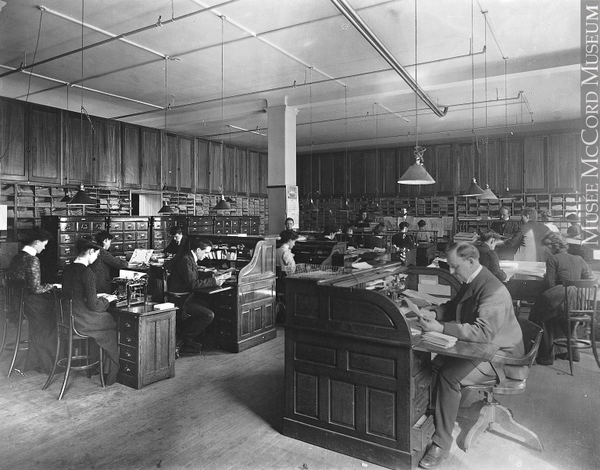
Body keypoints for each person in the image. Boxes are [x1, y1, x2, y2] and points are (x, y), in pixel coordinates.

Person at [417, 242, 526, 469]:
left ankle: (441, 443)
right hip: (486, 349)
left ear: (470, 261)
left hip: (502, 358)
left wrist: (441, 328)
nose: (451, 272)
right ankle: (435, 415)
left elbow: (483, 333)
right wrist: (433, 312)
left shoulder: (492, 290)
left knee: (448, 376)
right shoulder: (474, 279)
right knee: (435, 365)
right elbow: (454, 306)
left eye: (455, 267)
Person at [529, 232, 595, 365]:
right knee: (552, 312)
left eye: (546, 248)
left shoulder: (553, 259)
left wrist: (546, 278)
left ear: (552, 247)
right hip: (579, 305)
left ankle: (546, 356)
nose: (545, 251)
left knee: (540, 315)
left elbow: (550, 285)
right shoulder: (578, 258)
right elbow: (591, 279)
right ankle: (571, 352)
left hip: (563, 302)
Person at [61, 238, 120, 384]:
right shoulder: (88, 273)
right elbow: (95, 306)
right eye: (96, 255)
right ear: (90, 252)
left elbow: (77, 293)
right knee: (111, 323)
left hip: (68, 317)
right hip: (82, 319)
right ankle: (109, 373)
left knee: (103, 323)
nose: (96, 258)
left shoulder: (67, 269)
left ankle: (96, 367)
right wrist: (108, 299)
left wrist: (97, 296)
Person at [8, 227, 59, 374]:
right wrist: (53, 285)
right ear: (36, 242)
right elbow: (35, 288)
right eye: (44, 244)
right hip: (31, 304)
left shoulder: (17, 257)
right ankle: (49, 364)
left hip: (18, 303)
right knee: (53, 319)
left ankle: (36, 361)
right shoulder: (33, 259)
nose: (44, 247)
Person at [167, 238, 226, 353]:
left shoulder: (189, 257)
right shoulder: (186, 260)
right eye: (206, 252)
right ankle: (180, 339)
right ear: (198, 250)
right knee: (208, 315)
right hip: (181, 300)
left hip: (186, 297)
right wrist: (214, 281)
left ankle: (187, 339)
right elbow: (193, 284)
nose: (207, 256)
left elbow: (194, 276)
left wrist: (212, 274)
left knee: (213, 307)